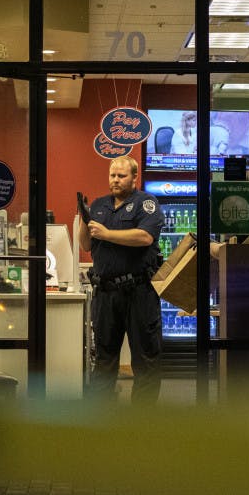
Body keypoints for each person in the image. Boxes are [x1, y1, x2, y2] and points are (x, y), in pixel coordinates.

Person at [78, 155, 164, 404]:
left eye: (121, 175)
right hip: (106, 294)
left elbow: (145, 237)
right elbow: (86, 244)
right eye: (112, 175)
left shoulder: (146, 203)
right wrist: (84, 219)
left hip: (139, 293)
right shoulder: (99, 205)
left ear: (134, 177)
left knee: (145, 360)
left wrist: (107, 233)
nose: (115, 180)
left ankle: (141, 424)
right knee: (104, 359)